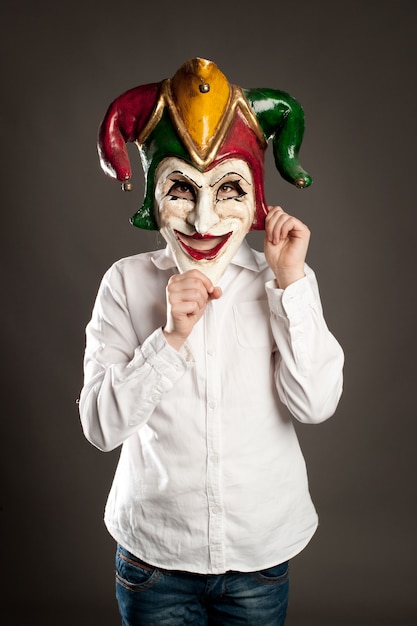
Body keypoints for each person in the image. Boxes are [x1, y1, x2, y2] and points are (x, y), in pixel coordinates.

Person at [79, 58, 344, 626]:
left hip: (259, 559)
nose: (203, 220)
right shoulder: (124, 285)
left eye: (227, 190)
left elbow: (316, 403)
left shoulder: (283, 279)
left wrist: (291, 282)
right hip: (154, 560)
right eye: (181, 189)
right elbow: (100, 427)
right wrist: (169, 338)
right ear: (152, 196)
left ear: (256, 202)